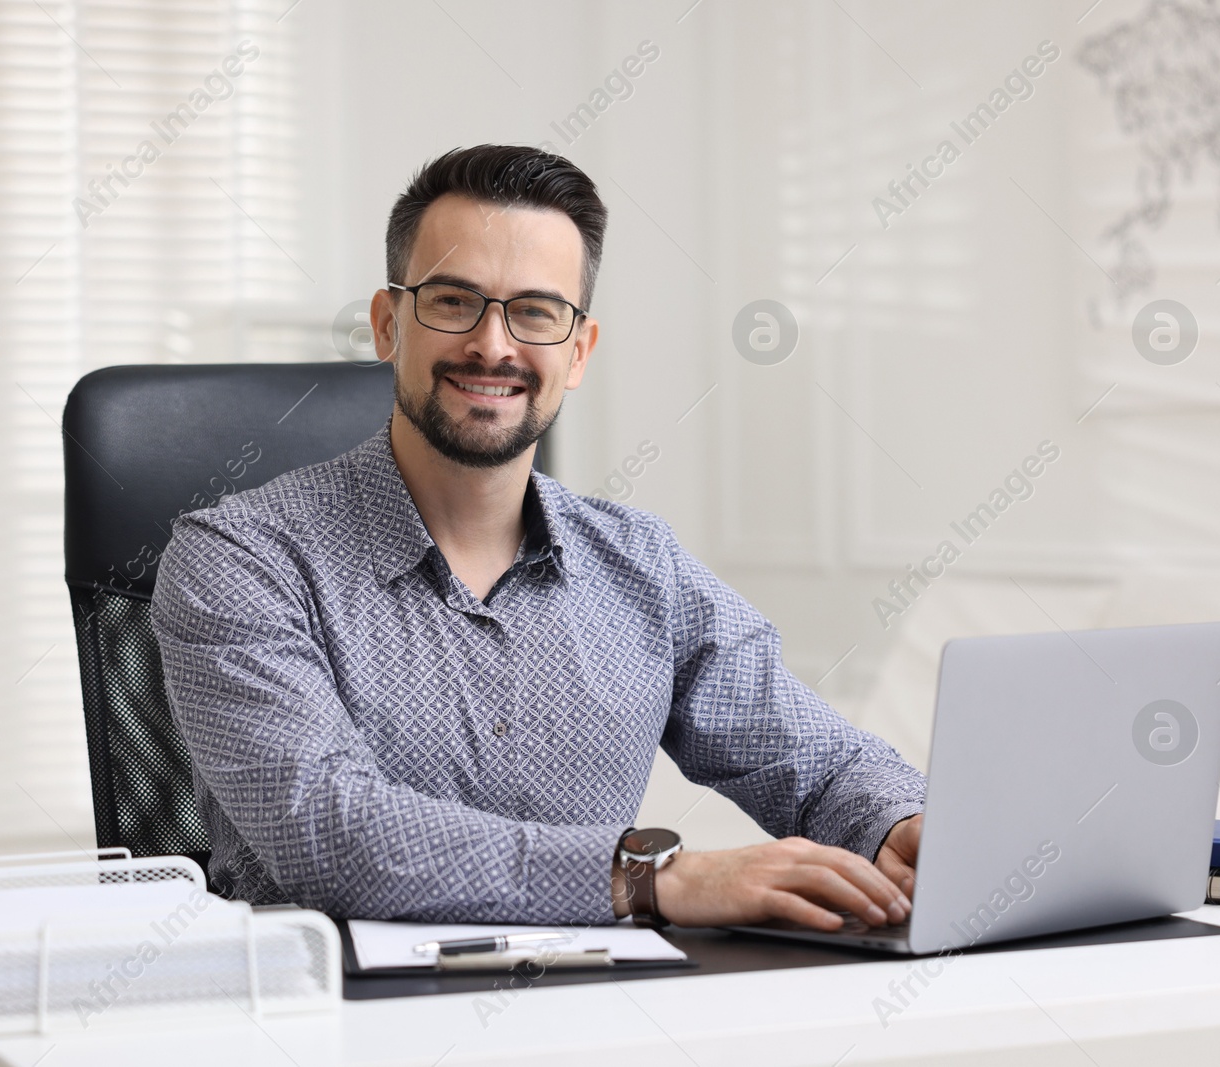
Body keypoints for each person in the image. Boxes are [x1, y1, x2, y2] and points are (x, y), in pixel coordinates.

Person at [152, 144, 926, 931]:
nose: (494, 345)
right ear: (388, 325)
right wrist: (648, 876)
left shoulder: (640, 565)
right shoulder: (238, 560)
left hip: (598, 1010)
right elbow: (329, 832)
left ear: (578, 350)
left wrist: (898, 826)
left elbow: (814, 760)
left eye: (536, 311)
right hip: (332, 1022)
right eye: (454, 301)